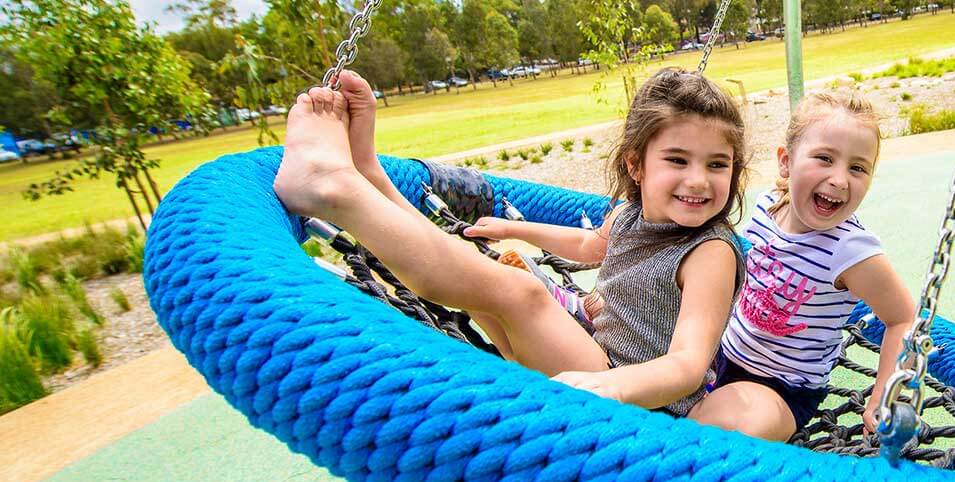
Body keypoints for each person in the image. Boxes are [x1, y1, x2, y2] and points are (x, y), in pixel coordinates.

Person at [273, 68, 746, 416]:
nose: (698, 181)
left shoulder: (709, 253)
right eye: (678, 160)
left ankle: (334, 190)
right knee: (483, 267)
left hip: (639, 399)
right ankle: (371, 176)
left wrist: (612, 389)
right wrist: (514, 228)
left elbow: (687, 365)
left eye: (717, 165)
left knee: (516, 290)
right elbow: (589, 247)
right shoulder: (630, 215)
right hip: (591, 351)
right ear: (635, 166)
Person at [688, 92, 915, 441]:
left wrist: (883, 393)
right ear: (786, 163)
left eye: (857, 168)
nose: (840, 180)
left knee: (727, 436)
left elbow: (903, 319)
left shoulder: (851, 250)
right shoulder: (766, 207)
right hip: (720, 354)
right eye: (824, 158)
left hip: (782, 390)